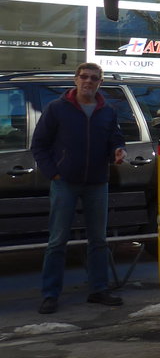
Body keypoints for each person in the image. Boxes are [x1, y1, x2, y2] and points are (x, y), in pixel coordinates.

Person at [31, 62, 127, 314]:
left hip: (97, 182)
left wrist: (118, 149)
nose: (89, 81)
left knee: (98, 240)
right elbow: (39, 145)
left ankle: (98, 289)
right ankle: (50, 294)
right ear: (75, 79)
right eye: (84, 77)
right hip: (65, 183)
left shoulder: (107, 111)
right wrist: (54, 172)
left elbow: (115, 137)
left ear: (100, 83)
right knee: (57, 240)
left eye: (94, 78)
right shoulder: (57, 109)